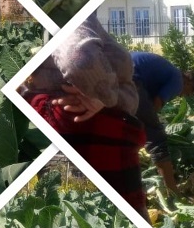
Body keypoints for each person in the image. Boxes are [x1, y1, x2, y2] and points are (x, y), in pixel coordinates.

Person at [20, 14, 147, 212]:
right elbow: (79, 57)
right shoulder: (74, 8)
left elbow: (129, 95)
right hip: (89, 137)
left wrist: (107, 98)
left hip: (97, 135)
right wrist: (106, 95)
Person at [130, 52, 194, 193]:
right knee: (157, 139)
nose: (183, 96)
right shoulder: (177, 80)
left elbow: (146, 104)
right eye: (188, 93)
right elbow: (156, 104)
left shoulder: (168, 71)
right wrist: (154, 122)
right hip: (131, 79)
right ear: (189, 82)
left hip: (113, 73)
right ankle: (173, 192)